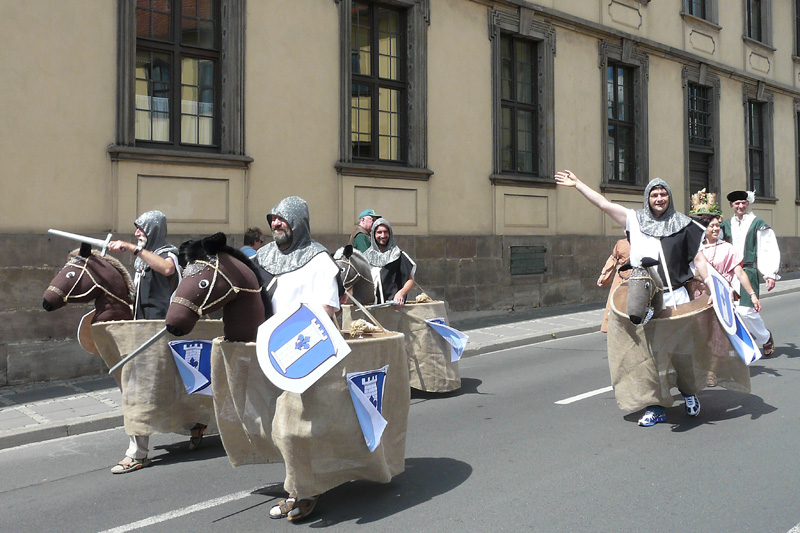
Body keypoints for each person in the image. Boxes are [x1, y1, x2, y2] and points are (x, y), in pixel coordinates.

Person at [555, 170, 711, 427]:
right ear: (647, 198)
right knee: (648, 355)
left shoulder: (684, 224)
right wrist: (578, 184)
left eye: (663, 194)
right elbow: (604, 204)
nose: (659, 198)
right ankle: (655, 406)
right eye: (654, 194)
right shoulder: (634, 220)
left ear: (669, 197)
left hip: (677, 297)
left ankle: (689, 393)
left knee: (681, 352)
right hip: (646, 298)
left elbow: (700, 261)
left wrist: (713, 289)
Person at [256, 196, 340, 522]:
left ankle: (303, 493)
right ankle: (298, 484)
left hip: (304, 353)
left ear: (298, 222)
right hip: (270, 353)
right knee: (279, 428)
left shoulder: (319, 259)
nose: (276, 224)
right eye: (273, 219)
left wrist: (294, 345)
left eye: (282, 219)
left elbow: (327, 310)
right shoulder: (263, 257)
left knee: (295, 429)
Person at [108, 210, 198, 473]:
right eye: (136, 229)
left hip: (161, 332)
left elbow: (168, 269)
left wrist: (132, 248)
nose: (137, 233)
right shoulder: (141, 264)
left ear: (154, 230)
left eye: (141, 229)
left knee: (176, 386)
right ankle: (139, 451)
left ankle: (193, 426)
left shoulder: (168, 254)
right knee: (140, 389)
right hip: (142, 332)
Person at [720, 190, 780, 356]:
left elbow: (767, 248)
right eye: (736, 203)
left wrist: (769, 273)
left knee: (747, 311)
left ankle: (765, 338)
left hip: (748, 271)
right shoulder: (724, 225)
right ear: (731, 205)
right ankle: (741, 344)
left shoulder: (757, 223)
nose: (740, 206)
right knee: (731, 311)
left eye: (743, 202)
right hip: (729, 273)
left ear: (748, 203)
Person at [363, 218, 416, 305]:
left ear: (390, 233)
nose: (383, 235)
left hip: (392, 306)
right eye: (379, 232)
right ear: (373, 234)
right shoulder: (365, 257)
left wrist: (401, 293)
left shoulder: (398, 255)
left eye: (385, 232)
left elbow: (410, 280)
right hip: (371, 306)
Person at [597, 236, 630, 333]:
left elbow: (612, 260)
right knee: (614, 302)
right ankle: (610, 327)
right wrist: (603, 277)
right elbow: (613, 259)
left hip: (632, 278)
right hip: (621, 278)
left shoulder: (642, 242)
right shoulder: (621, 243)